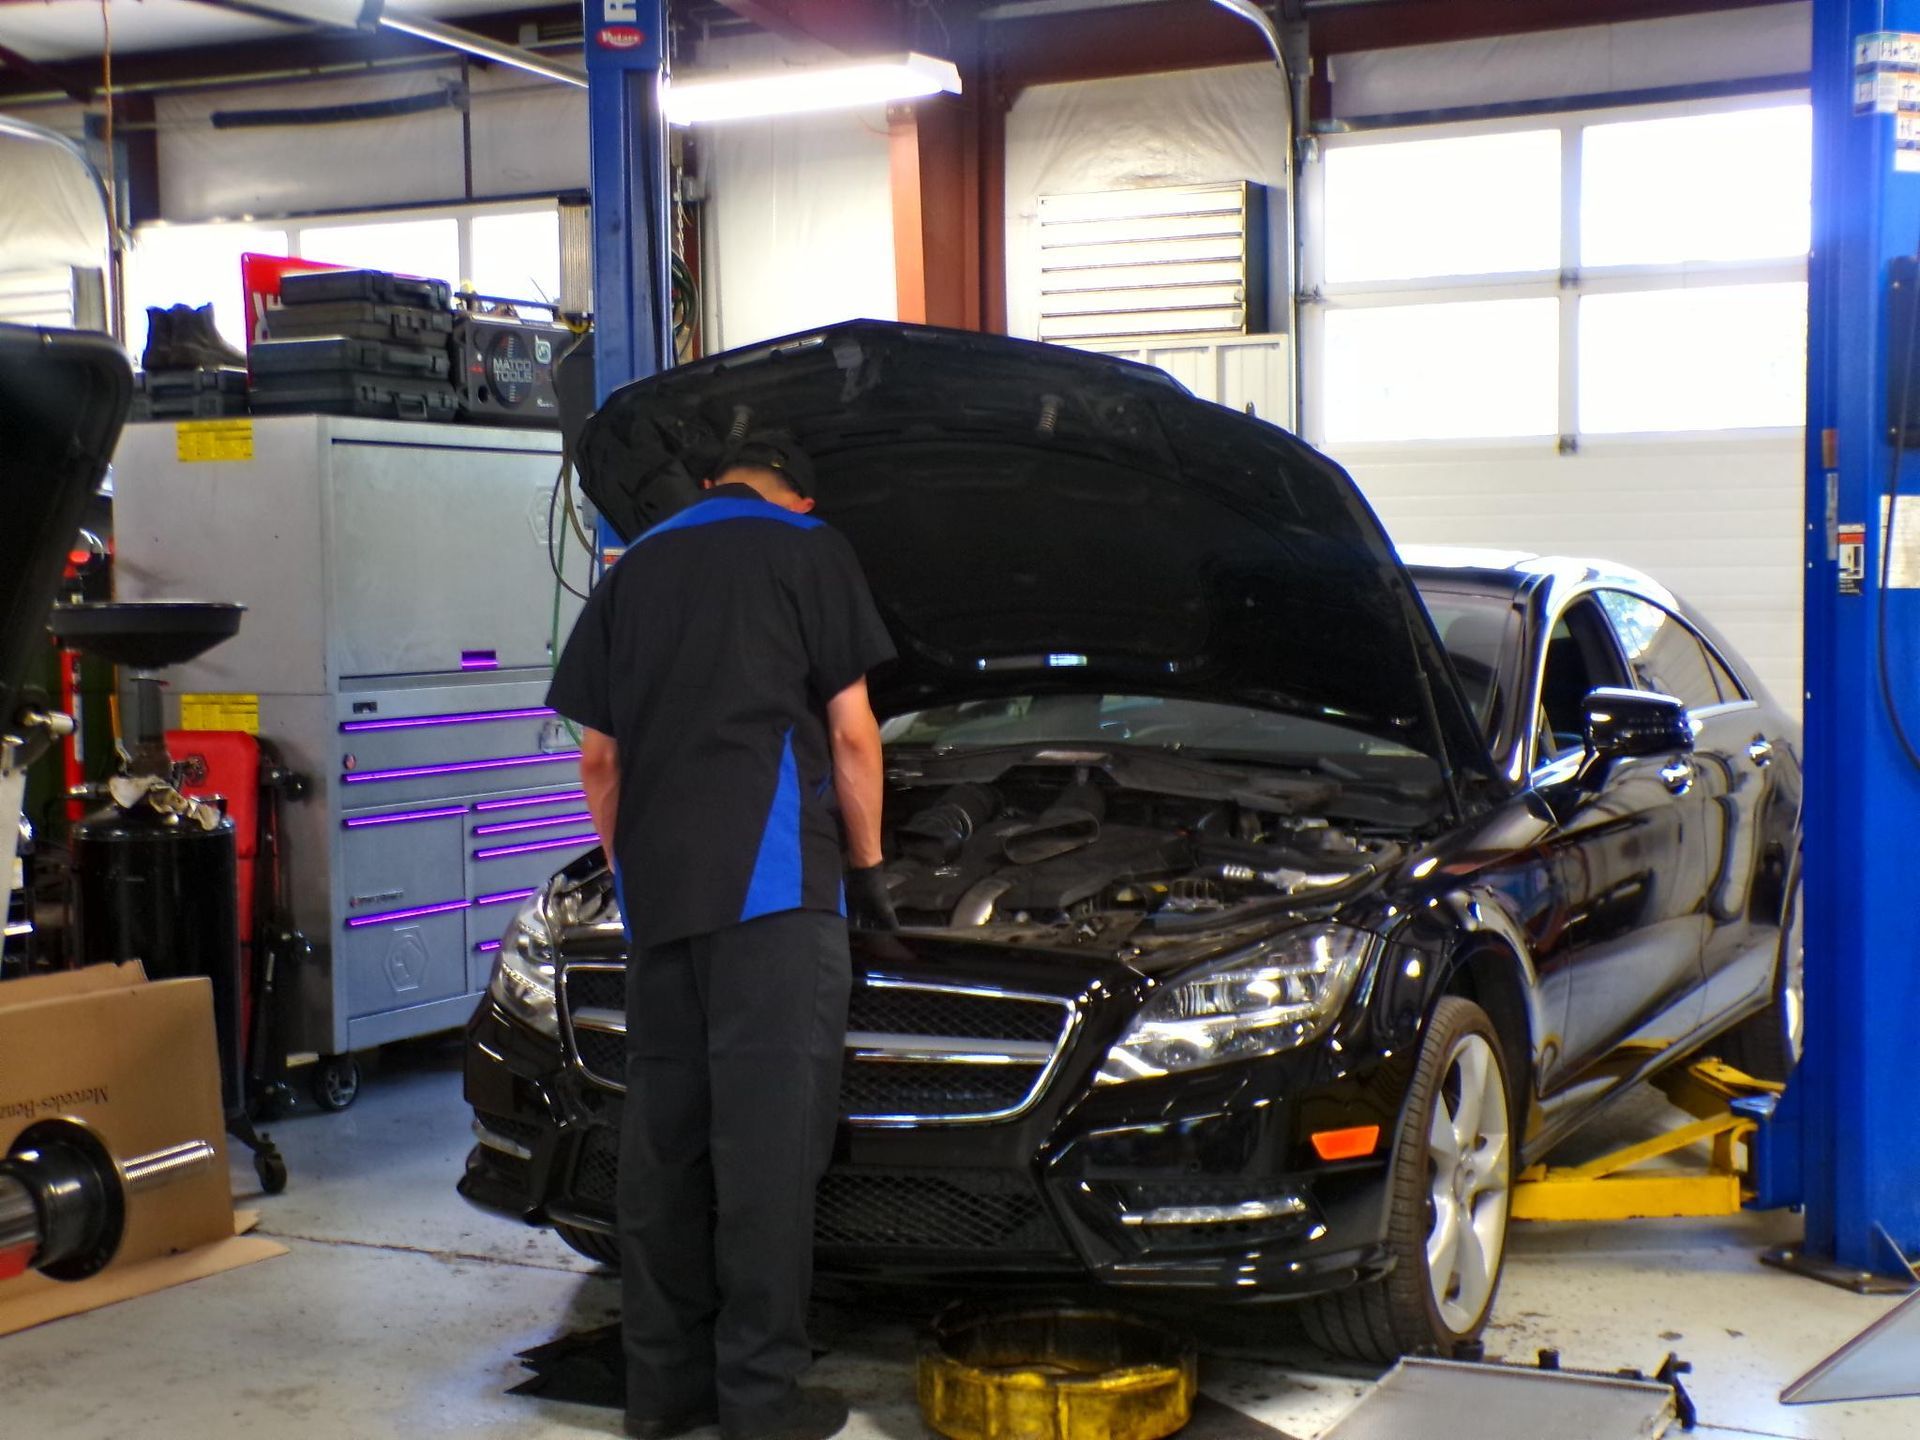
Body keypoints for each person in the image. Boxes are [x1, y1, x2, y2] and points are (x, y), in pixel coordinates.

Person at [546, 432, 898, 1440]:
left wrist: (633, 875)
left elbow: (599, 760)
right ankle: (760, 1403)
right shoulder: (809, 548)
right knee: (766, 1156)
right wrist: (868, 869)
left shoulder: (634, 567)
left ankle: (661, 1396)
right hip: (775, 899)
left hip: (659, 904)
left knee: (662, 1150)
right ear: (799, 497)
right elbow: (853, 733)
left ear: (709, 485)